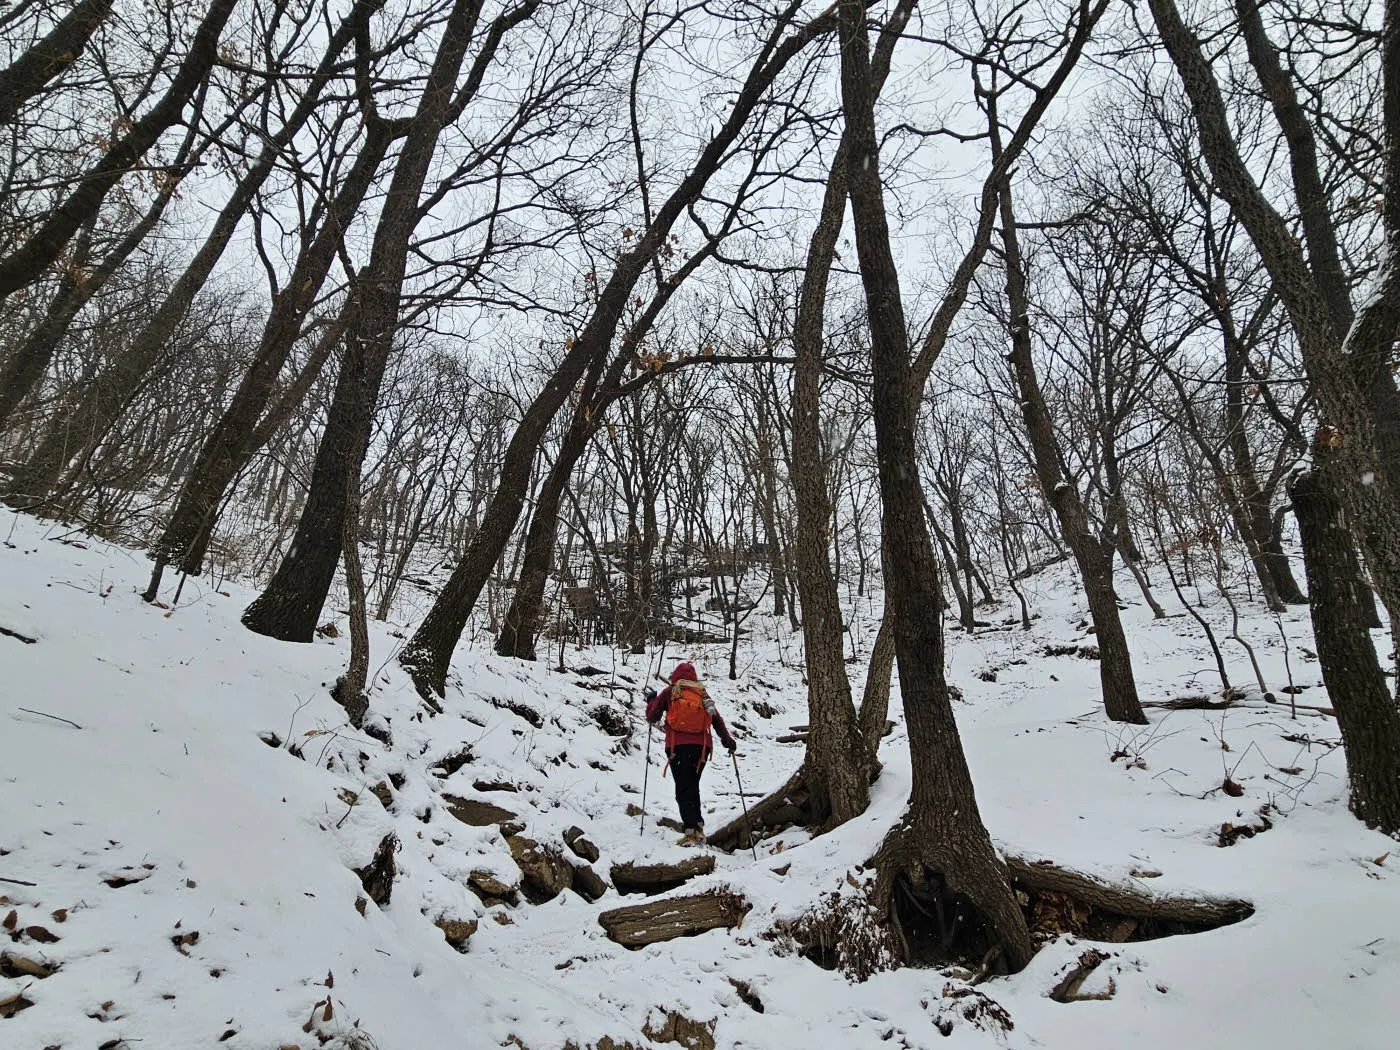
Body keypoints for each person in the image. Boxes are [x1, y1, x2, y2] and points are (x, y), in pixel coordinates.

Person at [645, 661, 736, 846]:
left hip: (677, 747)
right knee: (692, 785)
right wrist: (728, 741)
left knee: (683, 788)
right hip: (701, 748)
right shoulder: (702, 693)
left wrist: (651, 701)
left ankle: (690, 832)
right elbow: (716, 720)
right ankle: (697, 827)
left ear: (676, 676)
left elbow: (652, 716)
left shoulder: (671, 691)